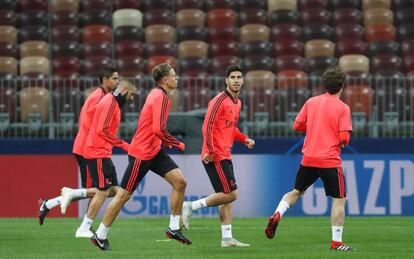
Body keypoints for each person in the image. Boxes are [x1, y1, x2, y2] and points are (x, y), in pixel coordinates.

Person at [91, 63, 191, 251]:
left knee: (180, 182)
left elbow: (155, 128)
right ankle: (100, 234)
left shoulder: (159, 94)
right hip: (142, 154)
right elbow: (158, 129)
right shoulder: (160, 97)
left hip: (154, 150)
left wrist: (164, 141)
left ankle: (174, 227)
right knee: (122, 196)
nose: (176, 78)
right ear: (164, 80)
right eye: (173, 75)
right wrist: (177, 143)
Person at [264, 66, 353, 251]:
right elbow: (344, 138)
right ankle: (337, 242)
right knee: (339, 199)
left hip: (309, 158)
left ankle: (278, 213)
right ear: (342, 86)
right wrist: (336, 138)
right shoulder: (343, 108)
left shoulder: (311, 102)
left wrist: (315, 128)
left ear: (324, 85)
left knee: (296, 191)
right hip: (329, 160)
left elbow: (296, 126)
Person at [181, 65, 255, 248]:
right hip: (215, 155)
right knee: (231, 194)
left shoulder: (238, 103)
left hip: (224, 153)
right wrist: (210, 151)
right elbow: (207, 126)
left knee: (225, 197)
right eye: (233, 77)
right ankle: (191, 206)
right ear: (226, 80)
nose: (236, 80)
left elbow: (231, 128)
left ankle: (227, 238)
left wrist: (244, 138)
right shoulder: (218, 100)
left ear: (242, 80)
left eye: (239, 77)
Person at [38, 66, 119, 227]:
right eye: (115, 79)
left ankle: (49, 204)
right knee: (97, 191)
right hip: (88, 151)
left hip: (95, 150)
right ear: (105, 80)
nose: (118, 82)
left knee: (108, 190)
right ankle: (85, 227)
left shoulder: (104, 96)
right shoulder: (98, 97)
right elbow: (92, 122)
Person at [76, 80, 136, 239]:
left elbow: (91, 115)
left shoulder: (109, 100)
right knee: (103, 192)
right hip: (98, 152)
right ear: (123, 90)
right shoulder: (111, 103)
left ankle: (71, 195)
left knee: (116, 191)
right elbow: (102, 130)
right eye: (131, 95)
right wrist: (124, 145)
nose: (131, 99)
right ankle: (84, 227)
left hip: (102, 152)